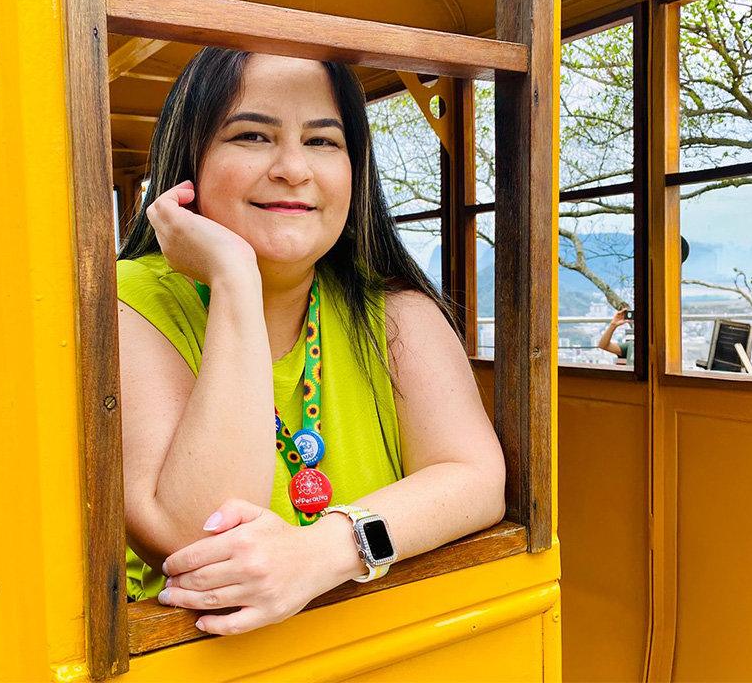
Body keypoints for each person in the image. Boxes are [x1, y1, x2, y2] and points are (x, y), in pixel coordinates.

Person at [116, 48, 505, 635]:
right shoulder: (126, 302)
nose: (293, 168)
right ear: (188, 156)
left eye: (323, 142)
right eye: (252, 135)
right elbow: (197, 535)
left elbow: (477, 480)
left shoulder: (395, 313)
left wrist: (324, 551)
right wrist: (233, 277)